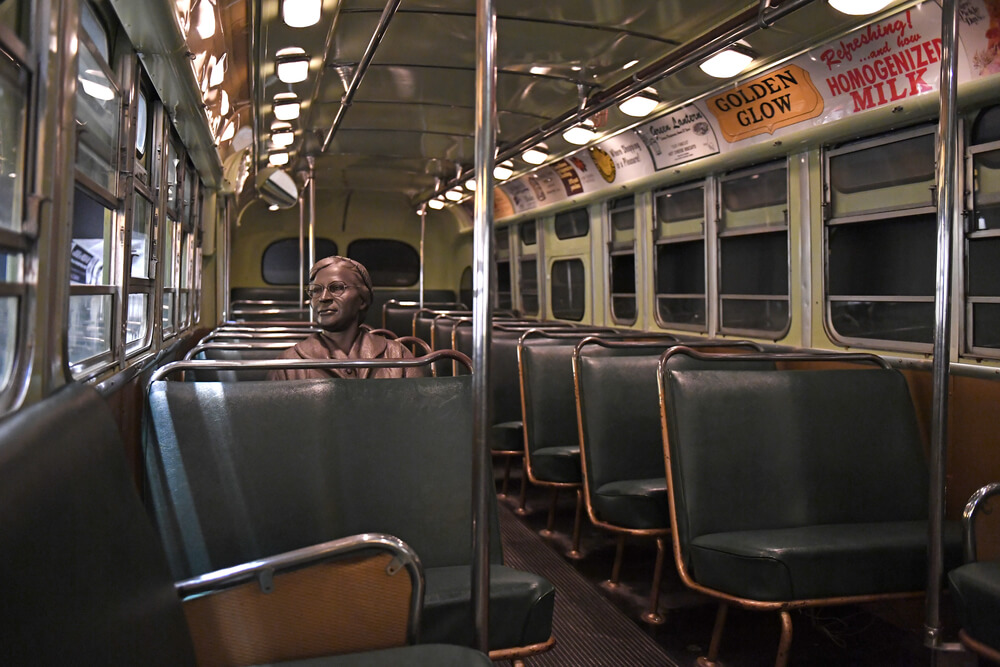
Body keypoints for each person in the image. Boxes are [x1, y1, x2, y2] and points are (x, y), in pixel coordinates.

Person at [267, 256, 427, 380]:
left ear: (363, 300)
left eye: (336, 288)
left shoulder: (397, 355)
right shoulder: (288, 363)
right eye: (315, 290)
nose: (323, 298)